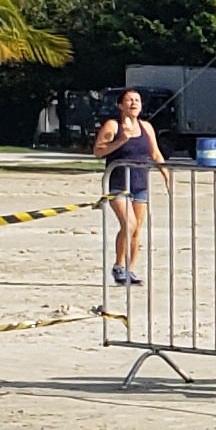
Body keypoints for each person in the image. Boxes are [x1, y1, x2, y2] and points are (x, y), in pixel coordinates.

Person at [93, 87, 162, 287]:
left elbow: (156, 154)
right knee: (128, 224)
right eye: (130, 100)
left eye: (137, 100)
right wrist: (121, 140)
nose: (134, 103)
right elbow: (98, 151)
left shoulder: (147, 127)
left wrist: (166, 175)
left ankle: (130, 269)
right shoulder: (113, 126)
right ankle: (119, 266)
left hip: (140, 182)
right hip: (117, 183)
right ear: (121, 105)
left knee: (136, 230)